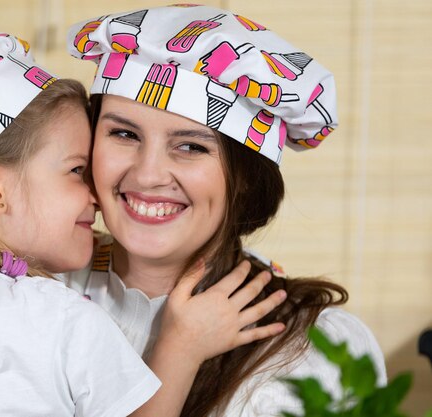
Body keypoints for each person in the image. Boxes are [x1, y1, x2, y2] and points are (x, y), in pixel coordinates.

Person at [0, 32, 285, 417]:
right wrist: (181, 345)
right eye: (76, 171)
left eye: (190, 146)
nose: (96, 197)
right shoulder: (62, 317)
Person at [64, 5, 387, 417]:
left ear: (246, 176)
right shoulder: (28, 290)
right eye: (124, 134)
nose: (147, 176)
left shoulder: (313, 349)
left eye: (191, 146)